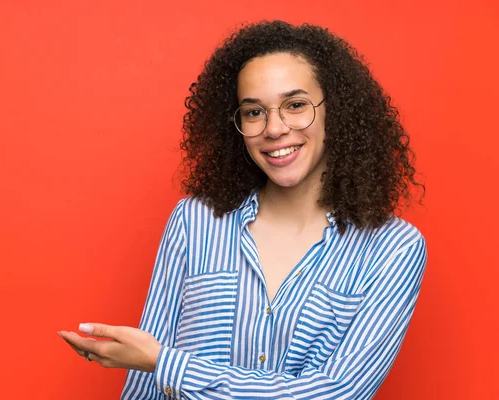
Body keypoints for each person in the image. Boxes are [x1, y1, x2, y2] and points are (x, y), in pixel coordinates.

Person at [58, 20, 427, 399]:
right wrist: (153, 363)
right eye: (254, 112)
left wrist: (165, 363)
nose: (274, 128)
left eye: (296, 105)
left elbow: (336, 393)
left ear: (338, 110)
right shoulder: (194, 221)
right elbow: (144, 385)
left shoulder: (393, 249)